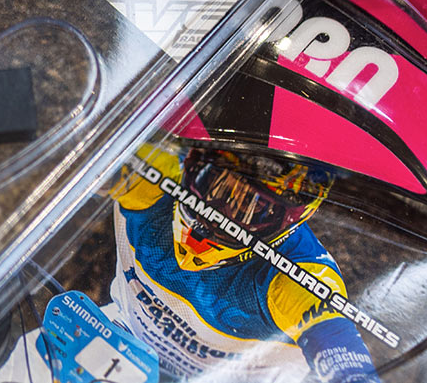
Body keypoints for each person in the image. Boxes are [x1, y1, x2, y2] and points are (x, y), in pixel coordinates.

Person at [106, 144, 382, 382]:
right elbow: (89, 136)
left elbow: (342, 351)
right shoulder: (158, 177)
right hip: (115, 346)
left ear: (286, 223)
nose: (214, 217)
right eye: (214, 184)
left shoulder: (300, 276)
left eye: (251, 209)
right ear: (193, 164)